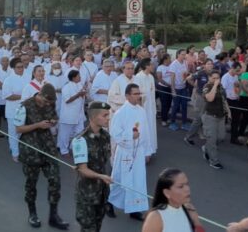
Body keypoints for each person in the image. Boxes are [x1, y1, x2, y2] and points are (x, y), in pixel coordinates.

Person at [15, 84, 69, 229]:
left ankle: (54, 215)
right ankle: (32, 214)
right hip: (31, 149)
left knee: (55, 180)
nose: (47, 105)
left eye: (49, 103)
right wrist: (38, 125)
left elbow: (54, 118)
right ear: (40, 94)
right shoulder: (24, 106)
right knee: (31, 183)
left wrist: (52, 122)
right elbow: (18, 128)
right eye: (45, 102)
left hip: (48, 148)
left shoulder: (50, 104)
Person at [108, 83, 149, 220]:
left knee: (137, 181)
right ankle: (109, 203)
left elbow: (146, 131)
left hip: (138, 152)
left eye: (139, 93)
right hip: (125, 152)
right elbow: (115, 133)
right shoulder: (121, 113)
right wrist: (130, 136)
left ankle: (134, 209)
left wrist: (147, 150)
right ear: (127, 96)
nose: (138, 96)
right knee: (121, 180)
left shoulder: (141, 111)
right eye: (135, 94)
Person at [72, 101, 113, 231]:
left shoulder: (105, 136)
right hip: (87, 195)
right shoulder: (80, 140)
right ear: (94, 117)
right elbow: (83, 169)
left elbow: (104, 159)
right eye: (105, 115)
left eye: (108, 115)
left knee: (98, 225)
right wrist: (101, 176)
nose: (108, 118)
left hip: (101, 192)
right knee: (89, 228)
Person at [200, 71, 230, 170]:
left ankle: (206, 147)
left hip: (221, 117)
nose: (216, 80)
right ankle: (214, 161)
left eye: (218, 78)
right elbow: (210, 98)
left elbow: (224, 100)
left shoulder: (221, 87)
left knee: (221, 137)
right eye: (214, 78)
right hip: (210, 117)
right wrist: (215, 85)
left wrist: (229, 112)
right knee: (212, 139)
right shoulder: (207, 87)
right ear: (209, 78)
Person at [2, 57, 27, 163]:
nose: (21, 69)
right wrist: (23, 96)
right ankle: (15, 153)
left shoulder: (27, 78)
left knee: (21, 132)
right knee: (13, 132)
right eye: (18, 67)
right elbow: (7, 96)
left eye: (22, 67)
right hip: (12, 110)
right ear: (13, 68)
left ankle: (14, 147)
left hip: (25, 110)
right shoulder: (8, 80)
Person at [184, 59, 213, 146]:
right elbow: (188, 78)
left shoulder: (213, 73)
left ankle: (202, 133)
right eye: (208, 64)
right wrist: (196, 86)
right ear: (204, 65)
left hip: (209, 98)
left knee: (206, 117)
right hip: (200, 98)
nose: (210, 65)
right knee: (198, 119)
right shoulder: (201, 73)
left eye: (211, 64)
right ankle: (188, 137)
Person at [59, 70, 87, 155]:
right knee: (65, 134)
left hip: (79, 114)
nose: (80, 77)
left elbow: (81, 97)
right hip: (68, 115)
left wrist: (83, 94)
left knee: (80, 132)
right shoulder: (66, 87)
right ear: (74, 77)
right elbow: (67, 100)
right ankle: (63, 150)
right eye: (79, 76)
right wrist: (79, 94)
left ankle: (74, 147)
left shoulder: (79, 85)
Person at [134, 58, 158, 157]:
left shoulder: (151, 77)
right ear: (147, 66)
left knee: (151, 128)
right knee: (143, 128)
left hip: (151, 108)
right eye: (151, 65)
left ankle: (150, 149)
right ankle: (142, 152)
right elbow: (137, 95)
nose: (153, 66)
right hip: (142, 108)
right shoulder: (138, 77)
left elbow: (152, 93)